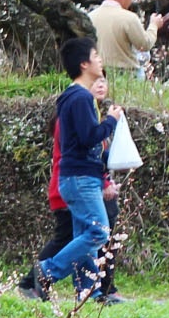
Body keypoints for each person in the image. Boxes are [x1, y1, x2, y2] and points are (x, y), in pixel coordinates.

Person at [19, 36, 120, 302]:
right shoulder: (80, 98)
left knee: (83, 234)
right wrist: (111, 120)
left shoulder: (72, 97)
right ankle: (47, 271)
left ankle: (87, 290)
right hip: (81, 178)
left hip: (75, 177)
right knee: (99, 232)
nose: (100, 60)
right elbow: (89, 138)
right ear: (85, 64)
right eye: (96, 56)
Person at [90, 0, 156, 84]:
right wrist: (154, 26)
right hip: (126, 75)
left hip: (98, 74)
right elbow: (144, 44)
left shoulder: (90, 16)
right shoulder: (129, 18)